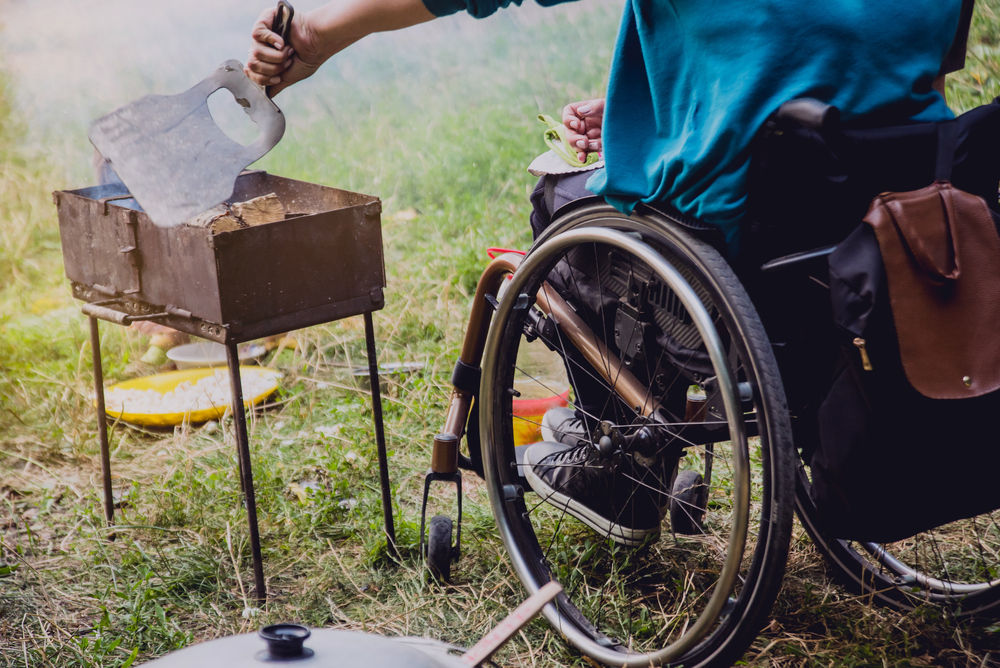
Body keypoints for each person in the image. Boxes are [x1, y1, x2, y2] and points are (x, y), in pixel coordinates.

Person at [247, 0, 975, 544]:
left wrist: (317, 32)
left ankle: (619, 466)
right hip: (889, 248)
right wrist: (660, 106)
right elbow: (864, 61)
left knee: (559, 199)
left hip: (741, 268)